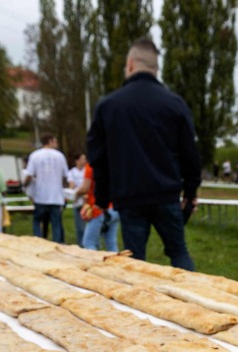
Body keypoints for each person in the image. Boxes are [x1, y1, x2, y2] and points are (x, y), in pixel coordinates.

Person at [87, 37, 201, 270]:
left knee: (135, 262)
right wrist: (189, 194)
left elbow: (98, 157)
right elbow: (191, 154)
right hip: (167, 195)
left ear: (130, 64)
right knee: (179, 251)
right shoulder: (175, 104)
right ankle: (195, 303)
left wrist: (101, 198)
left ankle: (139, 304)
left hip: (129, 198)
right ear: (156, 68)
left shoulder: (108, 106)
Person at [24, 134, 69, 241]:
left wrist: (24, 185)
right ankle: (57, 243)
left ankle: (38, 241)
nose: (56, 143)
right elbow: (65, 176)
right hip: (56, 196)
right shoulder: (60, 156)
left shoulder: (35, 155)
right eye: (55, 141)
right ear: (50, 141)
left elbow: (29, 175)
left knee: (37, 221)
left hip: (41, 195)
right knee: (56, 223)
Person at [77, 161, 119, 252]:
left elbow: (85, 188)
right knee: (111, 242)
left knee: (88, 242)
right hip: (114, 207)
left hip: (98, 208)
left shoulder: (91, 166)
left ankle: (94, 265)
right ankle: (116, 265)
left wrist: (75, 194)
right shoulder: (113, 163)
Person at [68, 153, 88, 245]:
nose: (85, 160)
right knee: (80, 227)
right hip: (78, 202)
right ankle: (81, 245)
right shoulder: (72, 172)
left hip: (88, 203)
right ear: (77, 161)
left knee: (91, 226)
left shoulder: (87, 171)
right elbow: (71, 185)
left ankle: (92, 244)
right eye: (83, 159)